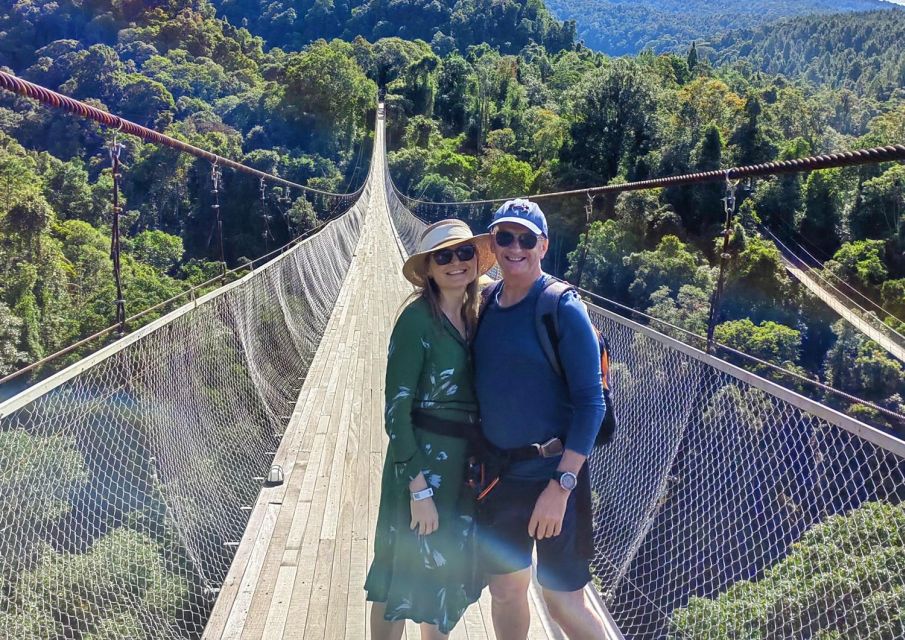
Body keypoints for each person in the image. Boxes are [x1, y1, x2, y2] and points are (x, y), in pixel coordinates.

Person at [472, 199, 607, 639]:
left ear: (543, 246)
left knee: (563, 603)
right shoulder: (485, 301)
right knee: (507, 590)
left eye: (526, 238)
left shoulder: (562, 308)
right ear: (493, 243)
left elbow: (591, 403)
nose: (515, 247)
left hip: (554, 477)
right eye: (505, 237)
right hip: (501, 478)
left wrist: (561, 488)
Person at [366, 219, 497, 639]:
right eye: (443, 256)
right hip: (419, 467)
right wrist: (418, 490)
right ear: (428, 269)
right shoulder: (416, 321)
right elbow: (395, 413)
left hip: (461, 468)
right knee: (400, 572)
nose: (455, 262)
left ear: (476, 259)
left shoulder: (479, 315)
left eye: (463, 253)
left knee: (439, 576)